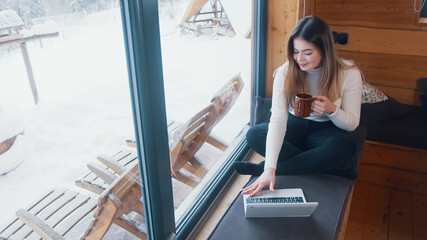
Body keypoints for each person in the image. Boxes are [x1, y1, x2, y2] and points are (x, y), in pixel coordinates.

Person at [234, 16, 363, 197]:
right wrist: (271, 166)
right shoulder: (285, 72)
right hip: (293, 125)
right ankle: (324, 167)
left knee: (344, 147)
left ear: (325, 50)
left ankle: (262, 168)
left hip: (325, 129)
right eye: (295, 51)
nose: (299, 59)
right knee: (254, 134)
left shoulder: (349, 73)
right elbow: (278, 120)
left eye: (307, 53)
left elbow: (352, 124)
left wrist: (332, 111)